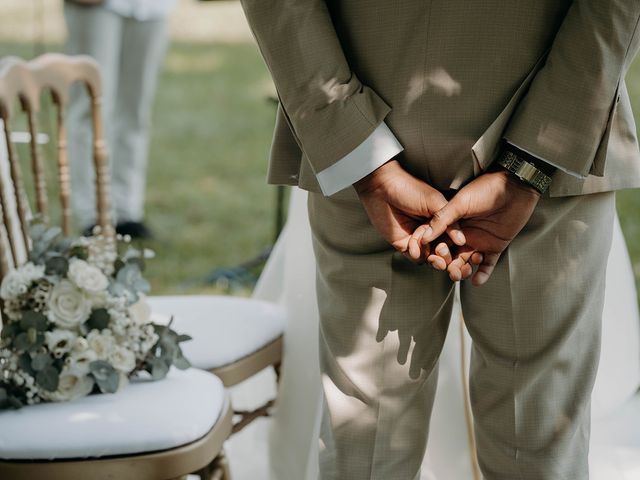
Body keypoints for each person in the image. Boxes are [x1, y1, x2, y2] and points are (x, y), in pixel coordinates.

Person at [240, 2, 640, 479]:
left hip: (366, 135)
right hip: (547, 143)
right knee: (536, 446)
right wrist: (535, 158)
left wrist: (354, 148)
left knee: (365, 451)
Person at [64, 0, 176, 238]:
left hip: (151, 7)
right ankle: (93, 213)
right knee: (90, 105)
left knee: (135, 110)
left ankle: (127, 210)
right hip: (95, 5)